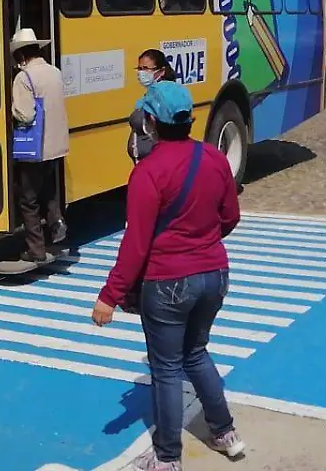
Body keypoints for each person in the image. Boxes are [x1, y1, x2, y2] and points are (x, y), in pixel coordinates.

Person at [91, 81, 246, 470]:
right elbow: (230, 218)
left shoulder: (148, 172)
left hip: (168, 283)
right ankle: (226, 433)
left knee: (166, 368)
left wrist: (109, 296)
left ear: (151, 122)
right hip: (215, 274)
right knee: (195, 353)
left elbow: (136, 244)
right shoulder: (213, 158)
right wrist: (202, 242)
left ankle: (167, 458)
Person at [9, 27, 70, 262]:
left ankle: (36, 249)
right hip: (56, 144)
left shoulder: (24, 78)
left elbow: (25, 114)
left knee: (28, 199)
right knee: (49, 191)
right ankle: (57, 223)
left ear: (21, 55)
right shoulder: (54, 72)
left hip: (35, 147)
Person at [127, 49, 177, 164]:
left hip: (158, 165)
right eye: (139, 68)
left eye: (146, 69)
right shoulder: (149, 95)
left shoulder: (166, 96)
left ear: (161, 71)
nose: (141, 73)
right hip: (143, 165)